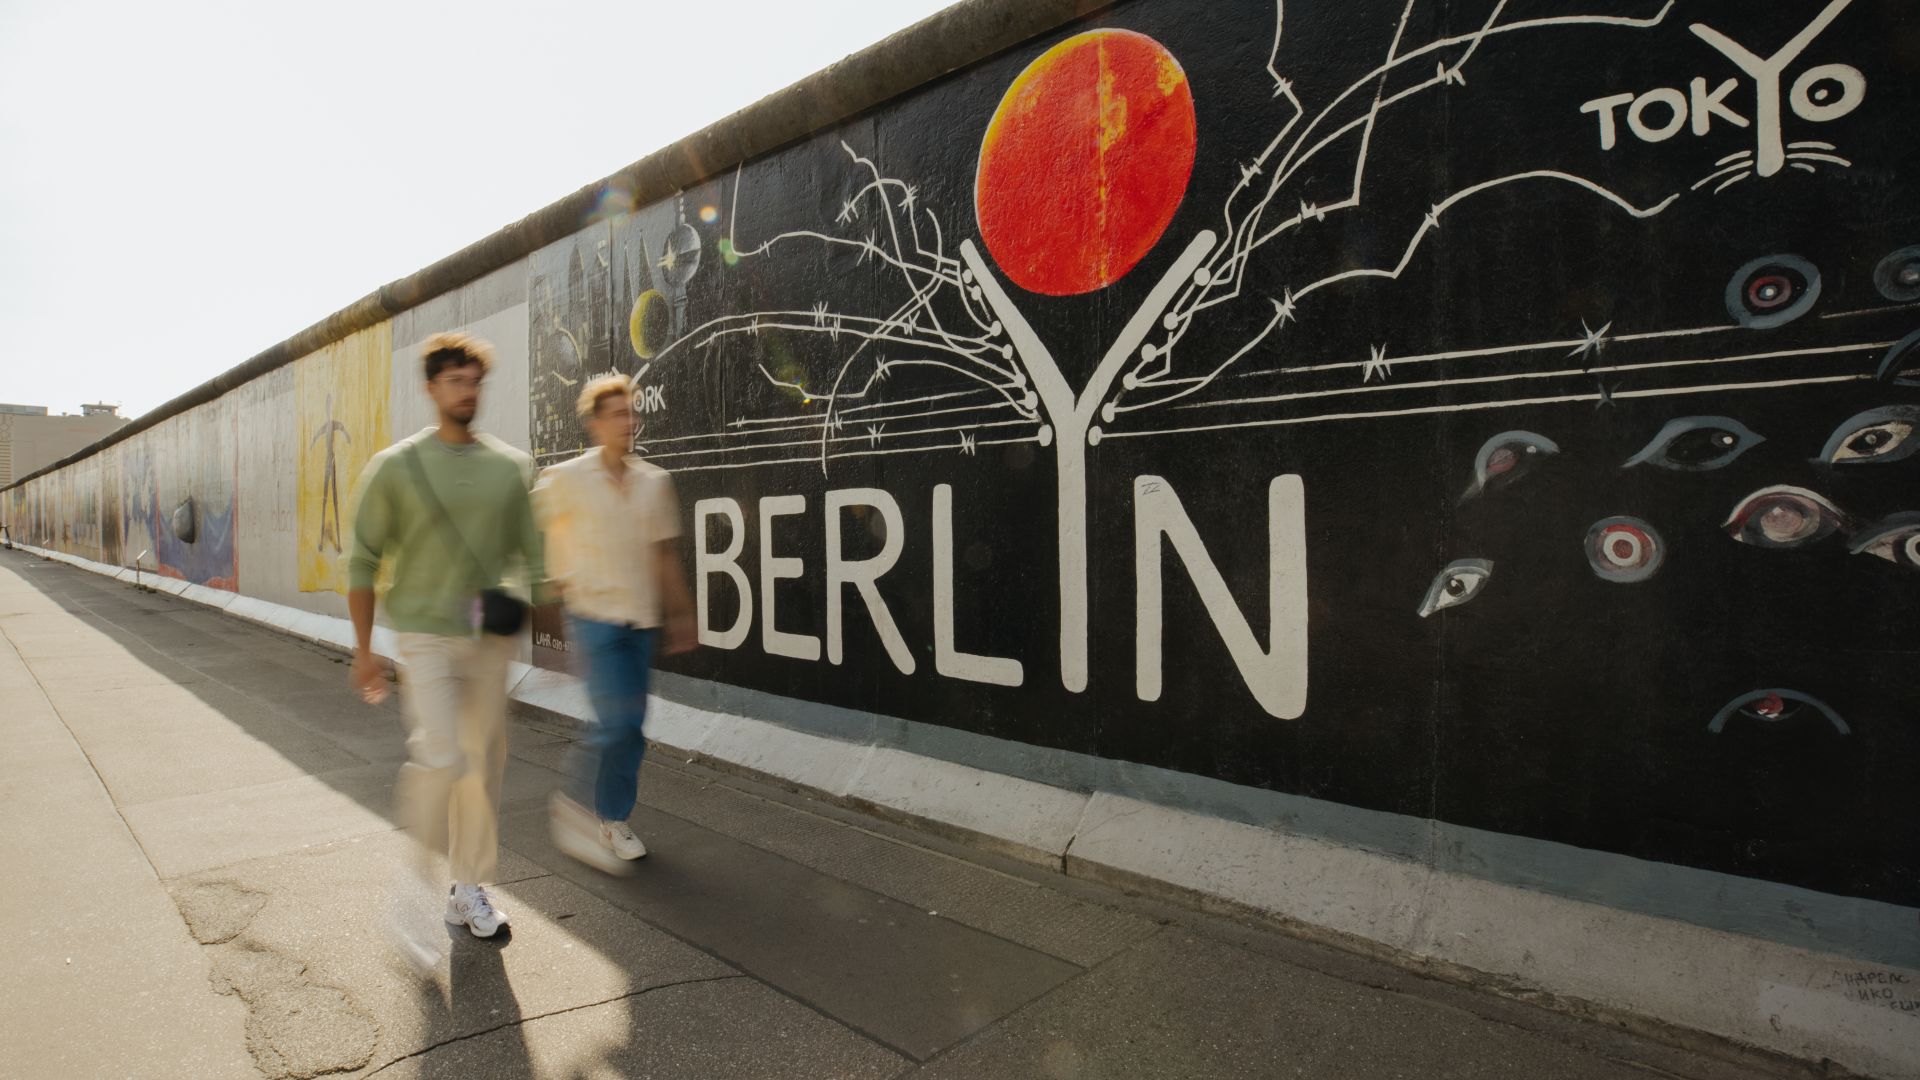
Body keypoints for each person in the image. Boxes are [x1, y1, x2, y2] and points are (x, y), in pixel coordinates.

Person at [345, 331, 545, 955]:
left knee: (482, 769)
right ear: (432, 388)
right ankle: (415, 879)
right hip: (425, 636)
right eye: (455, 380)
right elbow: (362, 560)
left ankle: (468, 888)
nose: (468, 391)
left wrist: (545, 616)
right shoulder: (396, 467)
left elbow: (533, 559)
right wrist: (363, 648)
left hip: (487, 640)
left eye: (475, 381)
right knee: (444, 758)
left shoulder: (511, 467)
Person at [533, 372, 695, 872]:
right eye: (619, 414)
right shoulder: (566, 479)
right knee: (617, 722)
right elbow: (540, 535)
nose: (630, 421)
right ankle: (585, 810)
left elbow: (664, 555)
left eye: (632, 412)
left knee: (631, 729)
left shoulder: (654, 482)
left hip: (641, 623)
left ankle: (610, 819)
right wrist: (558, 597)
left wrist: (682, 612)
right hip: (594, 618)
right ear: (595, 423)